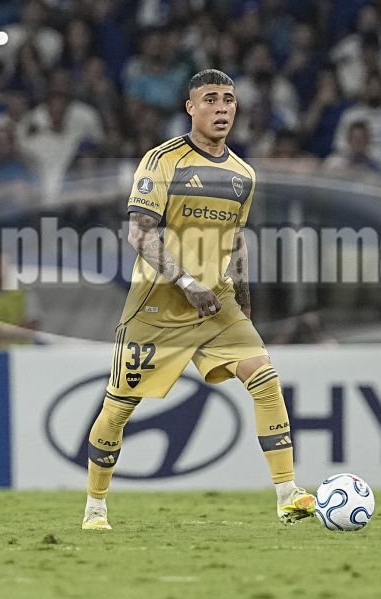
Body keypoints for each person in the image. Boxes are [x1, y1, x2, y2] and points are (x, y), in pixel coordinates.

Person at [82, 69, 316, 530]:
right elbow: (139, 233)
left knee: (265, 378)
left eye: (229, 99)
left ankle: (288, 494)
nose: (222, 107)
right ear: (191, 108)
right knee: (119, 407)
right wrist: (188, 283)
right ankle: (96, 506)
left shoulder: (243, 174)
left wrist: (243, 297)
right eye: (211, 99)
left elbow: (236, 239)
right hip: (158, 304)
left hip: (217, 303)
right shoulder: (162, 160)